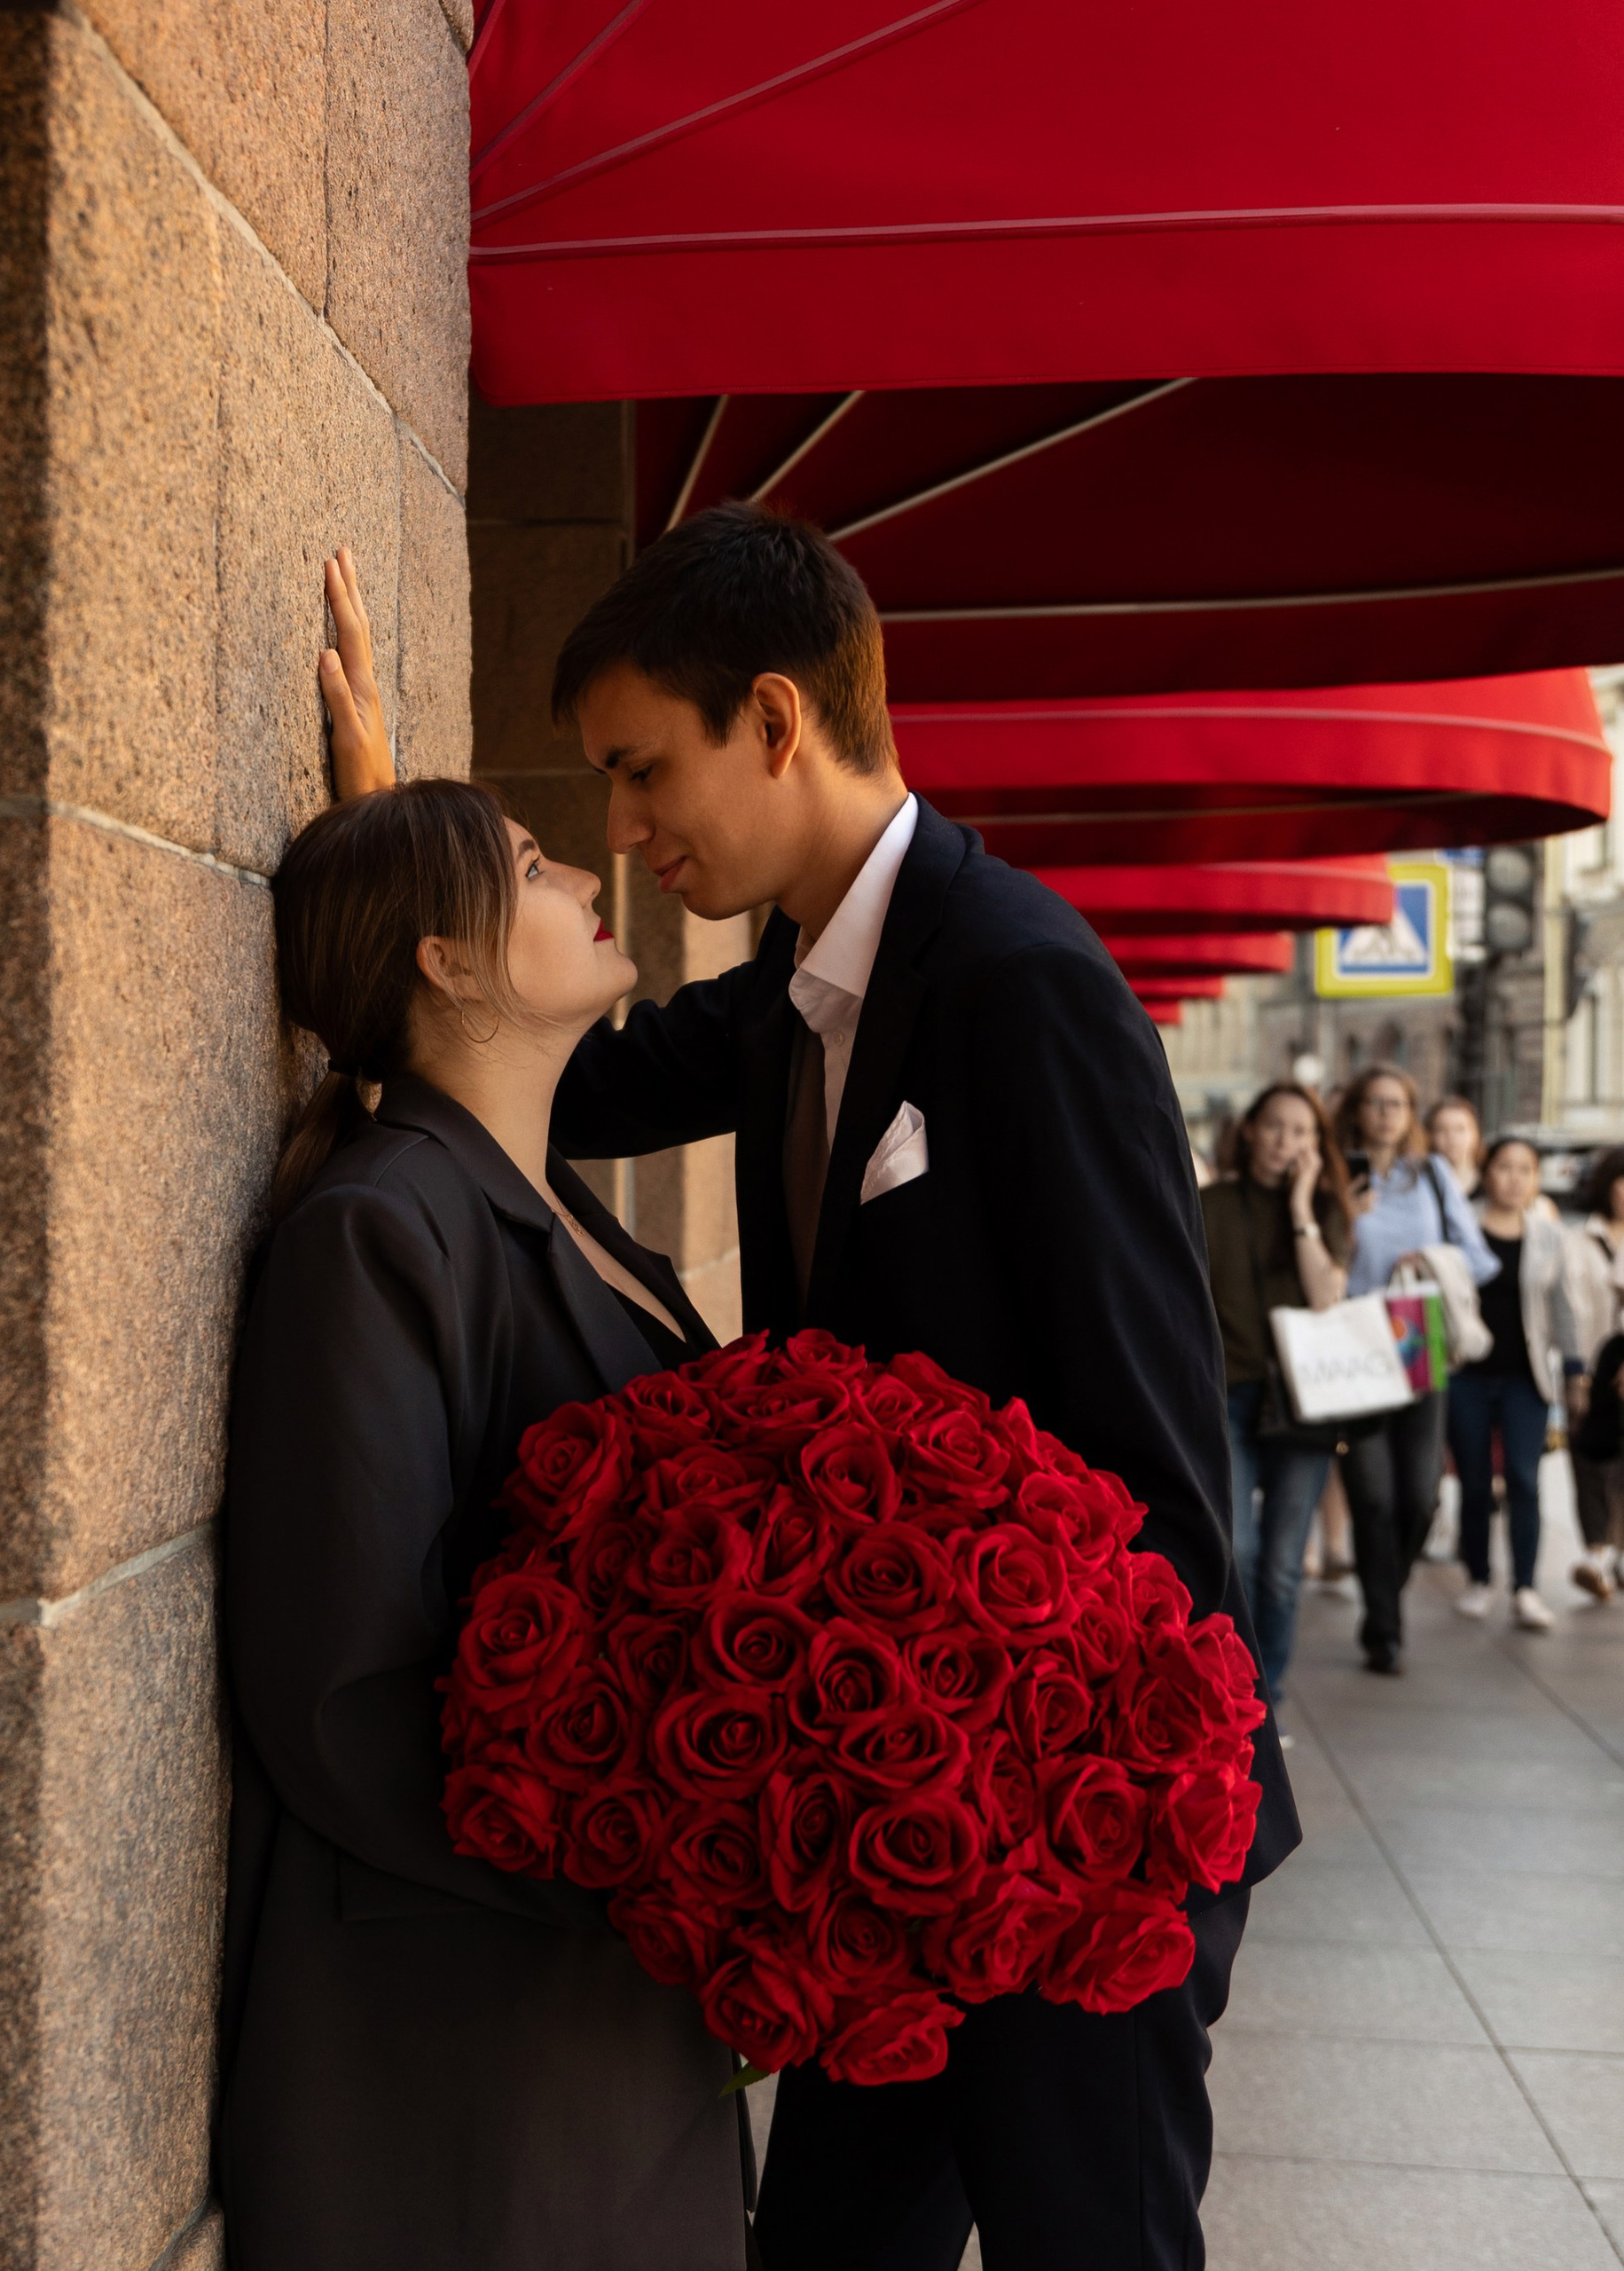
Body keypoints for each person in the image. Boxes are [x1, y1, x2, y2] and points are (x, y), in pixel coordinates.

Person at [428, 503, 1298, 2271]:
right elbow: (548, 1077)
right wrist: (393, 863)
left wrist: (1113, 1847)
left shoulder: (1021, 983)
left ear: (772, 718)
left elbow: (1157, 1452)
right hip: (888, 1849)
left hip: (1075, 1846)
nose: (623, 826)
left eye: (640, 769)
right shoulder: (790, 988)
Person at [221, 573, 747, 2269]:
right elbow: (342, 1696)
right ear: (446, 960)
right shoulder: (378, 1227)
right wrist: (647, 1854)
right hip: (464, 2050)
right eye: (530, 868)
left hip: (603, 2009)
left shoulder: (556, 1203)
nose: (589, 874)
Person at [1331, 1063, 1497, 1673]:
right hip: (1354, 1343)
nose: (1385, 1114)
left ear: (1409, 1114)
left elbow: (1477, 1258)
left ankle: (1384, 1593)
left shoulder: (1431, 1175)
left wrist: (1430, 1260)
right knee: (1373, 1496)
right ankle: (1384, 1629)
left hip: (1417, 1339)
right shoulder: (1335, 1174)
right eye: (1374, 1102)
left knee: (1422, 1496)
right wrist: (1346, 1217)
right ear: (1356, 1110)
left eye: (1396, 1103)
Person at [1199, 1083, 1353, 1711]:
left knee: (1284, 1565)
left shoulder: (1324, 1209)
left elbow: (1324, 1295)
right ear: (1249, 1130)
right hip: (1228, 1395)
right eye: (1273, 1126)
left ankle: (1268, 1698)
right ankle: (1231, 1690)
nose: (1284, 1141)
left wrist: (1300, 1205)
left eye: (1300, 1131)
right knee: (1237, 1549)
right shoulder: (1210, 1203)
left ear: (1315, 1145)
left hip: (1303, 1402)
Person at [1447, 1137, 1575, 1629]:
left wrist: (1576, 1370)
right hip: (1467, 1375)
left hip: (1526, 1378)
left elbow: (1564, 1307)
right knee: (1475, 1480)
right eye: (1504, 1167)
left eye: (1526, 1169)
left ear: (1537, 1179)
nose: (1515, 1178)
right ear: (1487, 1172)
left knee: (1524, 1478)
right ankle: (1478, 1578)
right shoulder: (1461, 1227)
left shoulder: (1550, 1235)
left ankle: (1526, 1587)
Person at [1563, 1145, 1624, 1601]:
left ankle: (1611, 1553)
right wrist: (1578, 1377)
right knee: (1589, 1457)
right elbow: (1572, 1310)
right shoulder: (1579, 1240)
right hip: (1592, 1366)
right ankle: (1596, 1551)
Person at [1427, 1094, 1485, 1197]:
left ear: (1476, 1133)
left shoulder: (1490, 1181)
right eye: (1441, 1130)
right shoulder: (1422, 1183)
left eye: (1460, 1129)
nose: (1451, 1137)